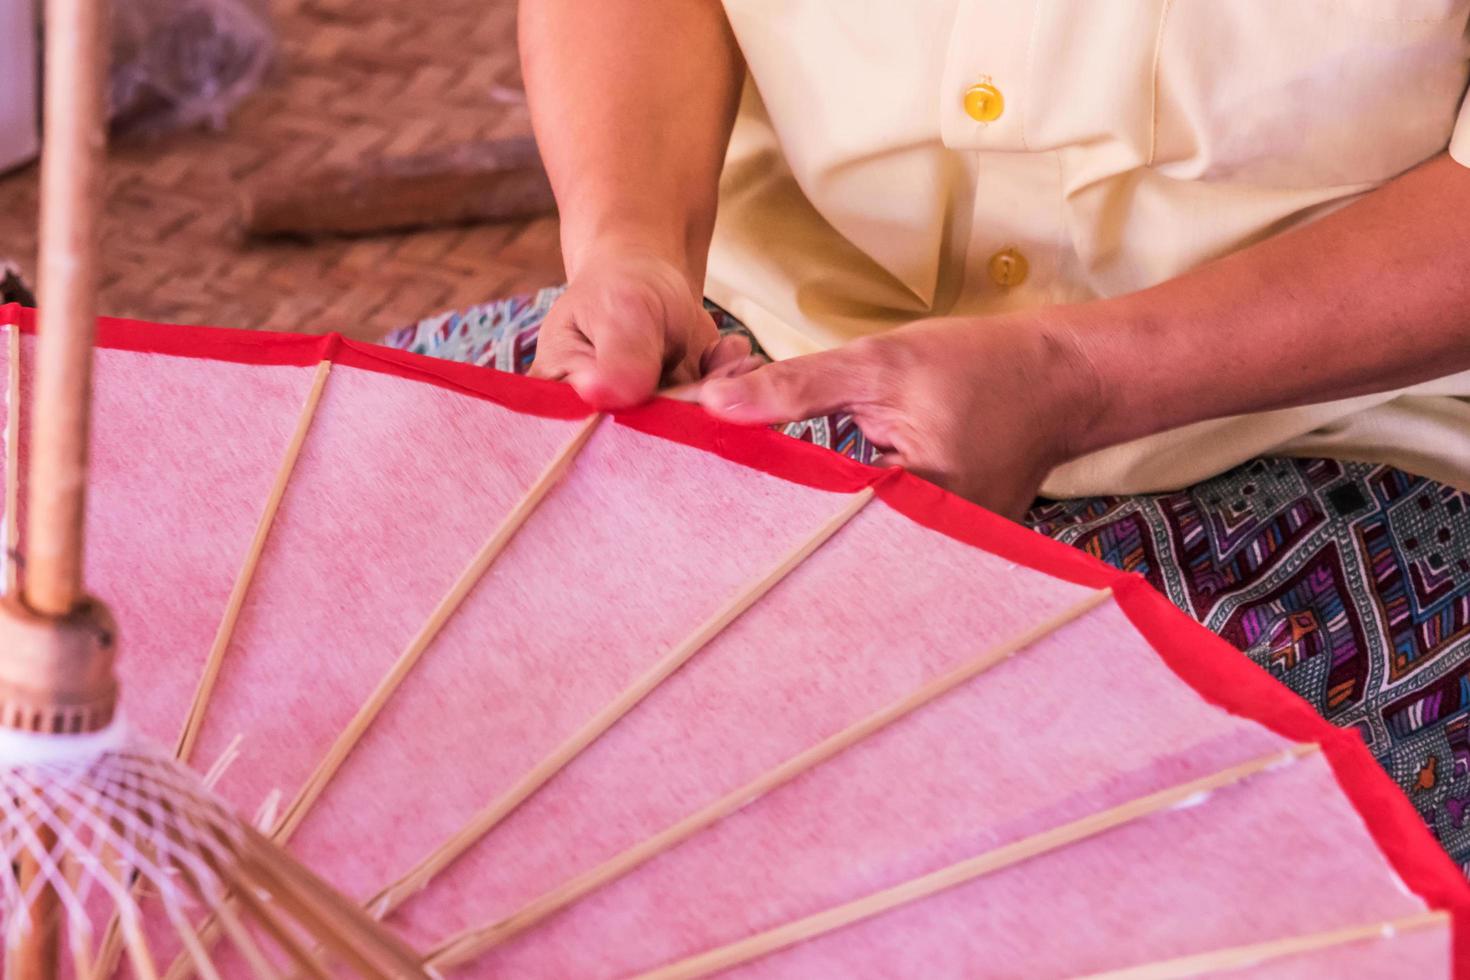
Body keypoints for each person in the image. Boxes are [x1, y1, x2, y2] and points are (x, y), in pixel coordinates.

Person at [386, 2, 1470, 867]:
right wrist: (634, 244)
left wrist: (1079, 378)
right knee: (382, 594)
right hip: (743, 342)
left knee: (1032, 849)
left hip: (1316, 434)